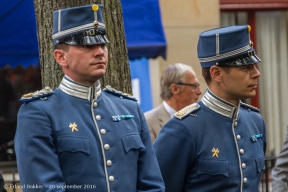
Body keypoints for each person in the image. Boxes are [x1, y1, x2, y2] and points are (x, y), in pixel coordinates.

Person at [14, 4, 164, 192]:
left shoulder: (129, 108)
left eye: (102, 44)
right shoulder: (38, 113)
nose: (100, 51)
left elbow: (152, 185)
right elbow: (44, 188)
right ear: (61, 57)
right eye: (87, 45)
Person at [154, 25, 266, 192]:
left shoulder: (255, 121)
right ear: (216, 74)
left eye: (254, 66)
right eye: (246, 68)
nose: (256, 73)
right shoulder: (183, 128)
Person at [144, 63, 202, 142]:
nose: (199, 92)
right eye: (194, 86)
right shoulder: (148, 122)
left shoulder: (200, 118)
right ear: (175, 89)